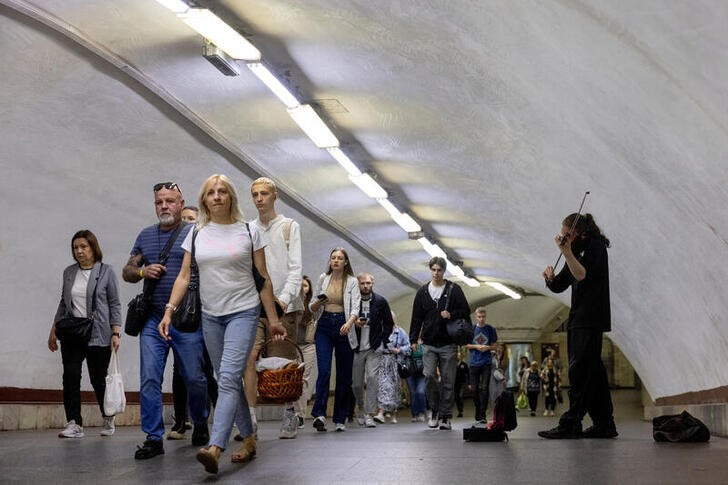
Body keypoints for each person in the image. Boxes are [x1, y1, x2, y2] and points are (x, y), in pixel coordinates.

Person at [158, 174, 286, 474]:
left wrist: (273, 319)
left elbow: (263, 278)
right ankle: (251, 439)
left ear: (230, 197)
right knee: (227, 378)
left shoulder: (249, 231)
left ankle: (215, 446)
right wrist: (168, 311)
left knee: (227, 377)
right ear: (204, 199)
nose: (216, 196)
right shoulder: (196, 233)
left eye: (222, 192)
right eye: (210, 192)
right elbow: (184, 276)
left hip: (244, 311)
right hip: (211, 314)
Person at [123, 182, 209, 460]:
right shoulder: (145, 236)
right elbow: (127, 270)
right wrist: (142, 271)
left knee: (195, 378)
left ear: (181, 203)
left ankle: (199, 421)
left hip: (186, 319)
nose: (164, 207)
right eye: (160, 202)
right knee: (149, 377)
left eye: (170, 201)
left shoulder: (195, 233)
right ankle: (153, 437)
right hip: (152, 318)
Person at [539, 212, 617, 439]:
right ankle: (605, 423)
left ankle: (571, 422)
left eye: (565, 235)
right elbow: (562, 283)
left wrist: (566, 253)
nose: (562, 239)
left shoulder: (594, 247)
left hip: (591, 318)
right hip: (578, 318)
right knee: (594, 373)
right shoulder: (574, 250)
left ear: (577, 233)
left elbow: (581, 274)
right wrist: (550, 279)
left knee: (580, 372)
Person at [244, 177, 303, 440]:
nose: (259, 198)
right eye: (255, 194)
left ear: (275, 196)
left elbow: (295, 269)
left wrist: (283, 299)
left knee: (283, 365)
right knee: (249, 359)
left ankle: (291, 413)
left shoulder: (289, 227)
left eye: (264, 194)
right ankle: (250, 420)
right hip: (254, 305)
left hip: (284, 307)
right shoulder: (247, 228)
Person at [49, 229, 121, 438]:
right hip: (72, 332)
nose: (79, 251)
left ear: (93, 248)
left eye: (83, 247)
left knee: (98, 378)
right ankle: (74, 423)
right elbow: (64, 302)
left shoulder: (106, 271)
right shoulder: (69, 272)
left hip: (97, 331)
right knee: (70, 376)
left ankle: (107, 417)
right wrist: (53, 329)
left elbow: (114, 304)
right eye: (75, 248)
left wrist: (116, 332)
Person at [167, 204, 218, 441]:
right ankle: (196, 420)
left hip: (214, 311)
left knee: (210, 373)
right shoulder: (183, 242)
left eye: (192, 220)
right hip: (188, 315)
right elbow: (183, 277)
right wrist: (169, 311)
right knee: (191, 374)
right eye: (184, 219)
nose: (188, 224)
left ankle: (218, 419)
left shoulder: (211, 239)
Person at [409, 256, 472, 431]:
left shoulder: (454, 289)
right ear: (430, 270)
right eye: (434, 270)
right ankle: (434, 411)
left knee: (447, 381)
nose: (436, 273)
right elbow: (416, 317)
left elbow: (466, 311)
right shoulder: (422, 292)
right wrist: (413, 339)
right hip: (428, 343)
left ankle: (445, 416)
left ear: (444, 271)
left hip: (448, 343)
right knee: (429, 376)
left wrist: (451, 314)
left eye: (439, 270)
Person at [310, 248, 361, 432]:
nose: (336, 261)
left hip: (343, 325)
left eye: (340, 258)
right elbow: (312, 306)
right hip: (324, 324)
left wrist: (349, 323)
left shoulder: (352, 282)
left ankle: (340, 417)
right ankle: (320, 414)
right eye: (333, 258)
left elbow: (356, 307)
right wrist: (317, 303)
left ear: (346, 262)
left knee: (344, 374)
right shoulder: (323, 278)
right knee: (324, 370)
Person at [351, 273, 394, 428]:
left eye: (368, 283)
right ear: (358, 284)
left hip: (374, 346)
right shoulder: (352, 301)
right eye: (363, 283)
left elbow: (389, 323)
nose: (366, 286)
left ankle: (370, 413)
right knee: (356, 384)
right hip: (356, 347)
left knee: (372, 379)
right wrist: (354, 323)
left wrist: (382, 340)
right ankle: (361, 408)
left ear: (373, 283)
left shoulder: (380, 301)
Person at [465, 306, 498, 422]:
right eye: (479, 317)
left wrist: (487, 347)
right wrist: (477, 346)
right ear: (476, 317)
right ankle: (478, 409)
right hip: (473, 362)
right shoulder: (471, 329)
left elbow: (495, 346)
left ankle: (482, 414)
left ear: (486, 317)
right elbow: (466, 344)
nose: (481, 319)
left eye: (483, 317)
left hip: (486, 363)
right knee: (474, 389)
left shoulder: (490, 329)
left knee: (484, 388)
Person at [295, 275, 318, 428]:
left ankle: (301, 414)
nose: (303, 288)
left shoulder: (312, 307)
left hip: (308, 345)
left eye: (305, 286)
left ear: (309, 289)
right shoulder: (291, 305)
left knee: (304, 379)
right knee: (293, 379)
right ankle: (293, 412)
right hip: (293, 346)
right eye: (300, 285)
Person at [378, 313, 409, 424]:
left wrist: (399, 350)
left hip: (395, 362)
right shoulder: (380, 331)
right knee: (383, 386)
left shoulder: (399, 332)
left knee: (395, 388)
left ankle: (393, 414)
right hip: (383, 361)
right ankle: (381, 413)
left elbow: (408, 345)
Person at [406, 340, 426, 422]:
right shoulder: (408, 343)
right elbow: (404, 354)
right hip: (410, 372)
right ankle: (414, 414)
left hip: (422, 372)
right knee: (413, 393)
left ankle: (421, 412)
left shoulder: (425, 344)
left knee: (420, 392)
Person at [489, 343, 509, 408]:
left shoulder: (505, 358)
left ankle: (501, 413)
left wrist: (506, 379)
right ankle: (495, 412)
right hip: (492, 377)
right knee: (493, 394)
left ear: (504, 350)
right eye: (498, 348)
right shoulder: (492, 356)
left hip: (501, 378)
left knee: (501, 394)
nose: (499, 349)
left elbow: (507, 370)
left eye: (501, 348)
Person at [454, 352, 468, 418]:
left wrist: (469, 384)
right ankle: (459, 411)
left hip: (462, 383)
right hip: (455, 384)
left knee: (460, 396)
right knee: (456, 398)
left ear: (461, 357)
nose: (458, 357)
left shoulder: (464, 365)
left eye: (459, 356)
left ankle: (461, 410)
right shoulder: (453, 365)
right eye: (457, 355)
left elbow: (468, 374)